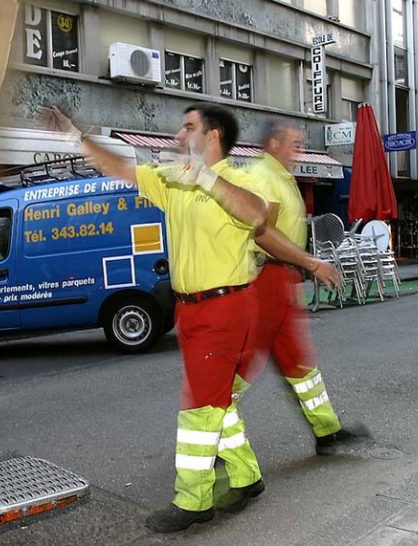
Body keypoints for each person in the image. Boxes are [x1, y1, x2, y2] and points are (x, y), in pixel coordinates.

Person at [44, 104, 339, 533]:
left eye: (188, 127)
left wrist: (203, 176)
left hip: (225, 305)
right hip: (191, 307)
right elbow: (121, 169)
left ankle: (194, 499)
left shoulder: (240, 177)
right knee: (217, 399)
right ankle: (246, 475)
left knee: (200, 407)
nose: (180, 134)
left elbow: (259, 215)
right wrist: (75, 135)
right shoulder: (172, 181)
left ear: (214, 135)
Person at [216, 122, 370, 507]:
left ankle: (327, 432)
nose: (299, 149)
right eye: (294, 143)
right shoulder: (264, 176)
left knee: (300, 367)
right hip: (266, 279)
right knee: (243, 366)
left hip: (281, 281)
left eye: (301, 144)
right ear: (273, 144)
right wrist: (312, 263)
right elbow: (261, 232)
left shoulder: (280, 175)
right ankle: (215, 432)